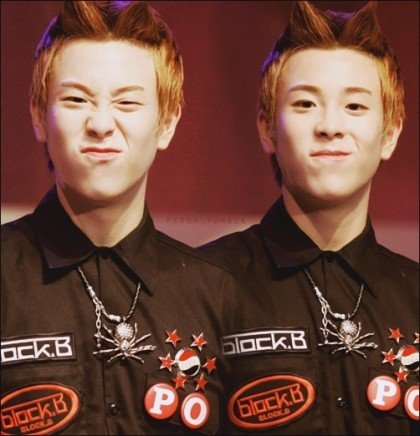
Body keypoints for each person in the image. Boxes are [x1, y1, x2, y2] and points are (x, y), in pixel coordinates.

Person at [1, 2, 244, 434]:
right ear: (38, 115)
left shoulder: (219, 295)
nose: (100, 124)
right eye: (76, 100)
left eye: (127, 102)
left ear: (167, 122)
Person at [199, 1, 419, 434]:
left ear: (390, 134)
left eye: (355, 106)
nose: (330, 126)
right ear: (267, 129)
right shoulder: (203, 289)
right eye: (305, 104)